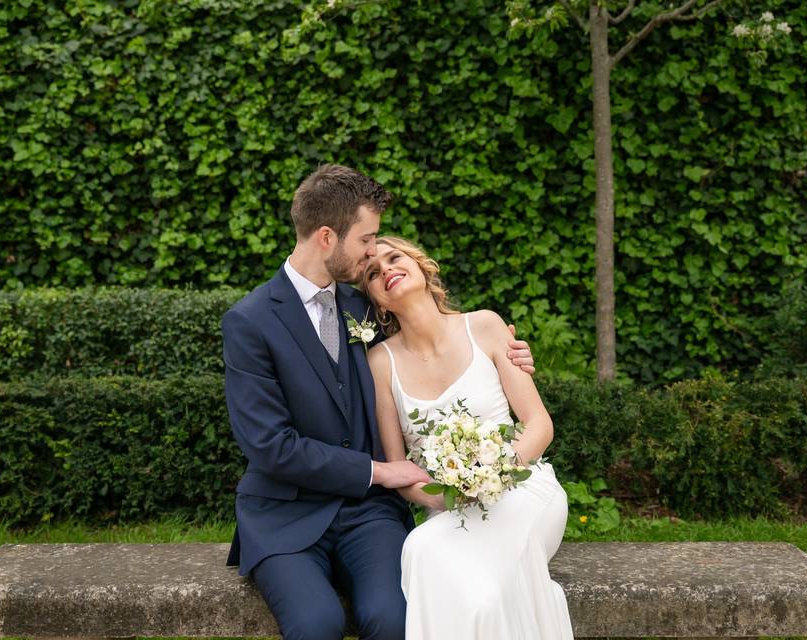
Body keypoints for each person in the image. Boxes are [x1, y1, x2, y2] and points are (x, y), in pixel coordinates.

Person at [222, 164, 535, 640]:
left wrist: (510, 352)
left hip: (368, 514)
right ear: (327, 237)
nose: (375, 251)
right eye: (367, 240)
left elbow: (437, 335)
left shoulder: (366, 305)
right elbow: (270, 447)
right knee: (316, 624)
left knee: (392, 619)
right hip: (283, 515)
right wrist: (379, 471)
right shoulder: (249, 322)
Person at [362, 236, 574, 640]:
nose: (385, 269)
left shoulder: (485, 326)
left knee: (474, 586)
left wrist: (493, 475)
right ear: (377, 301)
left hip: (523, 492)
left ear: (423, 268)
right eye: (373, 273)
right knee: (423, 549)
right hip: (451, 510)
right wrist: (446, 496)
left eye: (394, 258)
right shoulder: (380, 363)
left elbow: (539, 424)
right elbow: (401, 467)